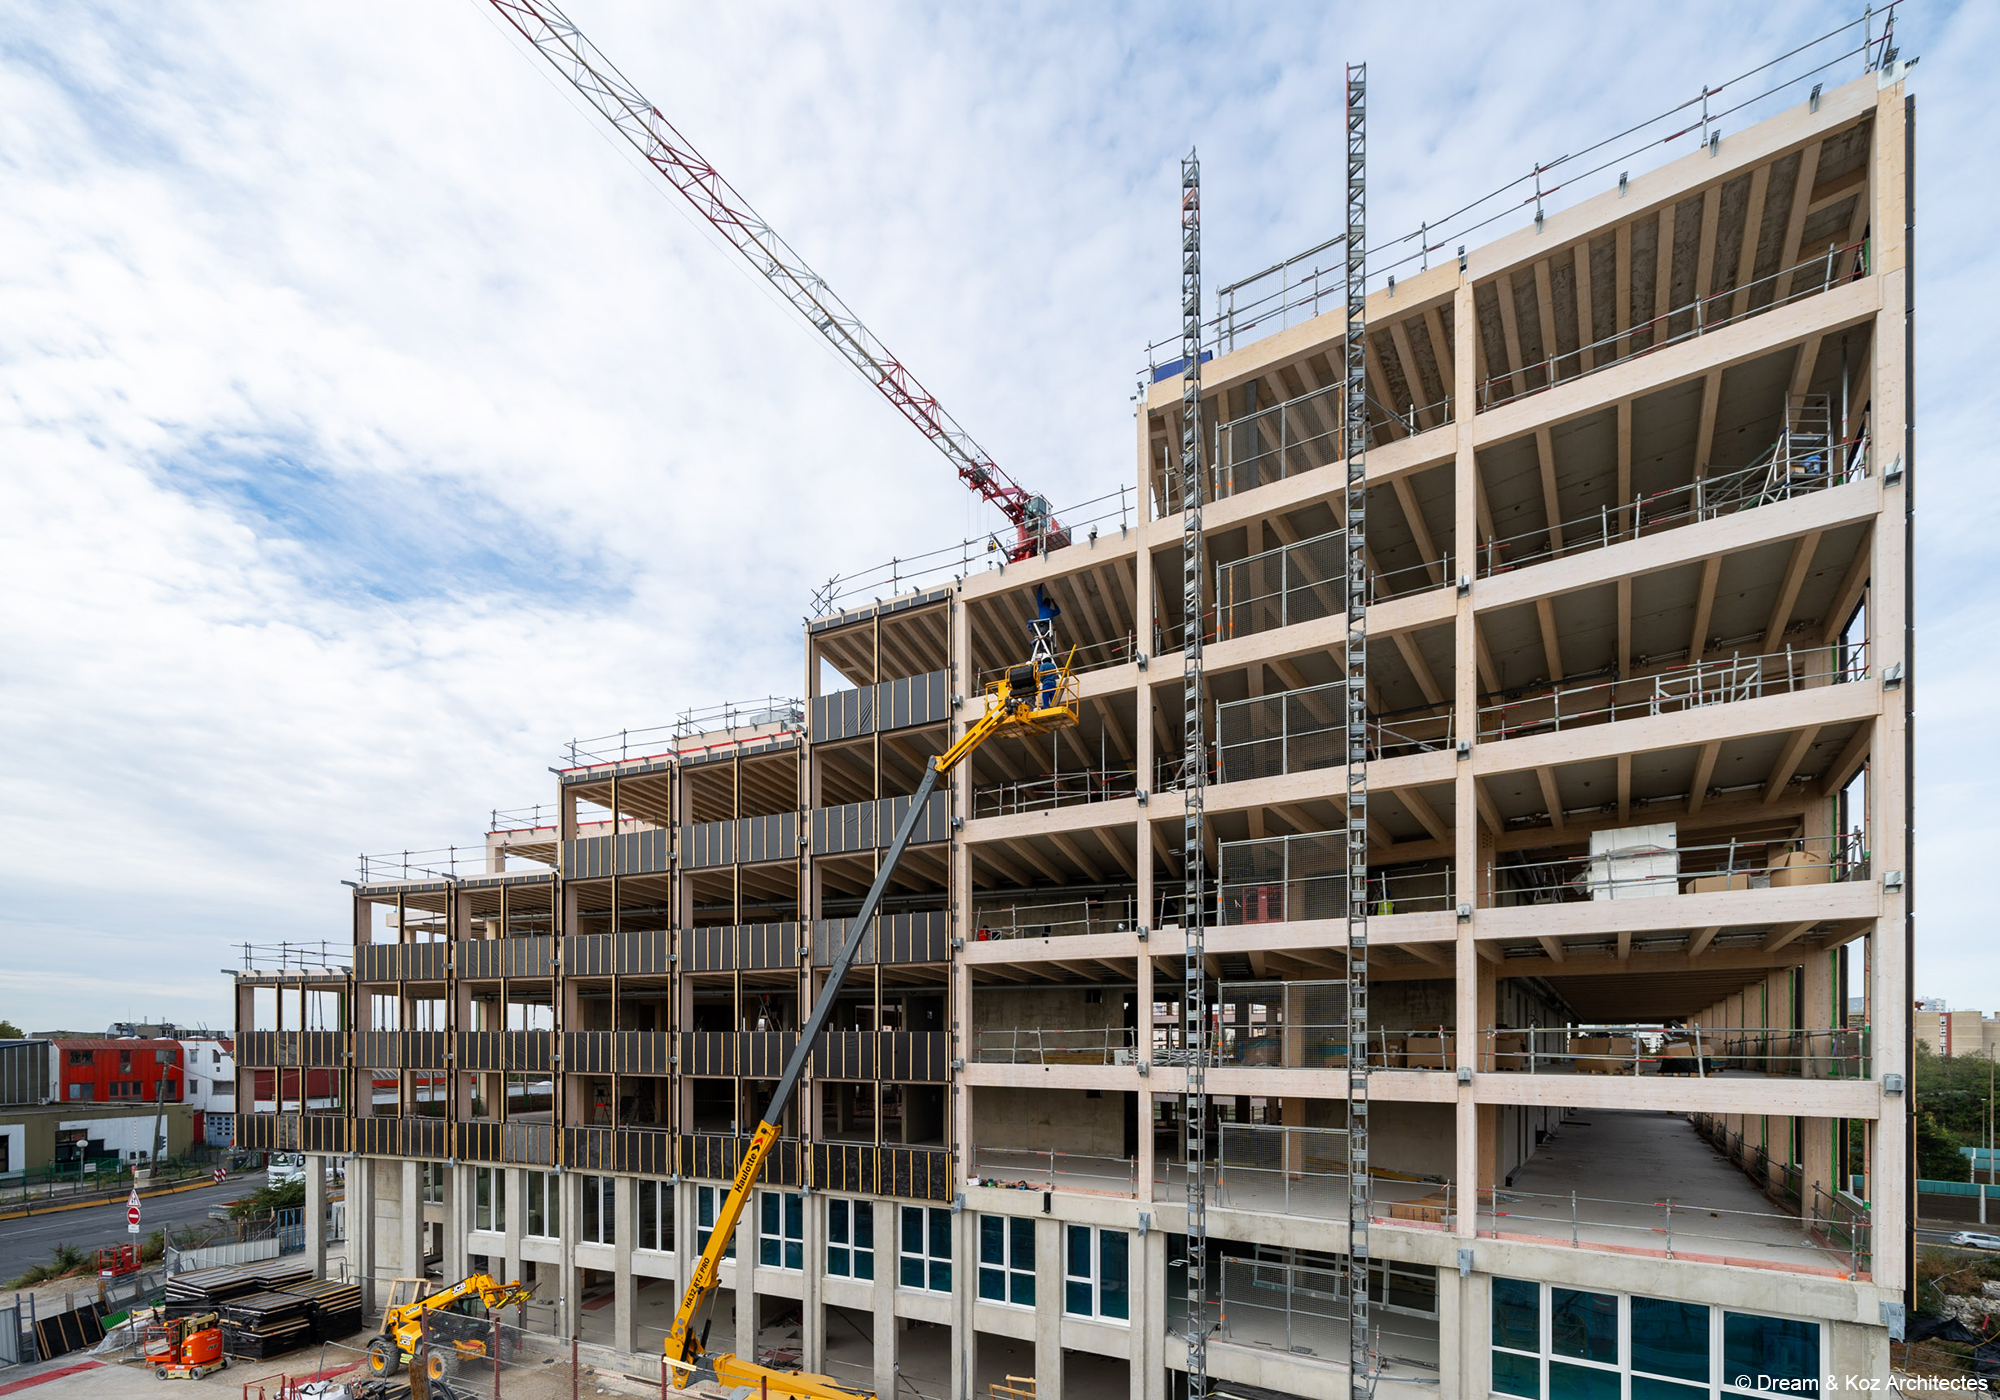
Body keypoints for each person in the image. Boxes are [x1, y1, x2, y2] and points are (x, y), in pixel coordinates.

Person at [1031, 586, 1062, 706]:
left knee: (1041, 642)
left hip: (1043, 626)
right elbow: (1058, 611)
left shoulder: (1042, 607)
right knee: (1046, 642)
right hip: (1048, 628)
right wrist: (1054, 602)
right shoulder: (1050, 610)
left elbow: (1038, 598)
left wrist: (1040, 587)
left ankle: (1046, 706)